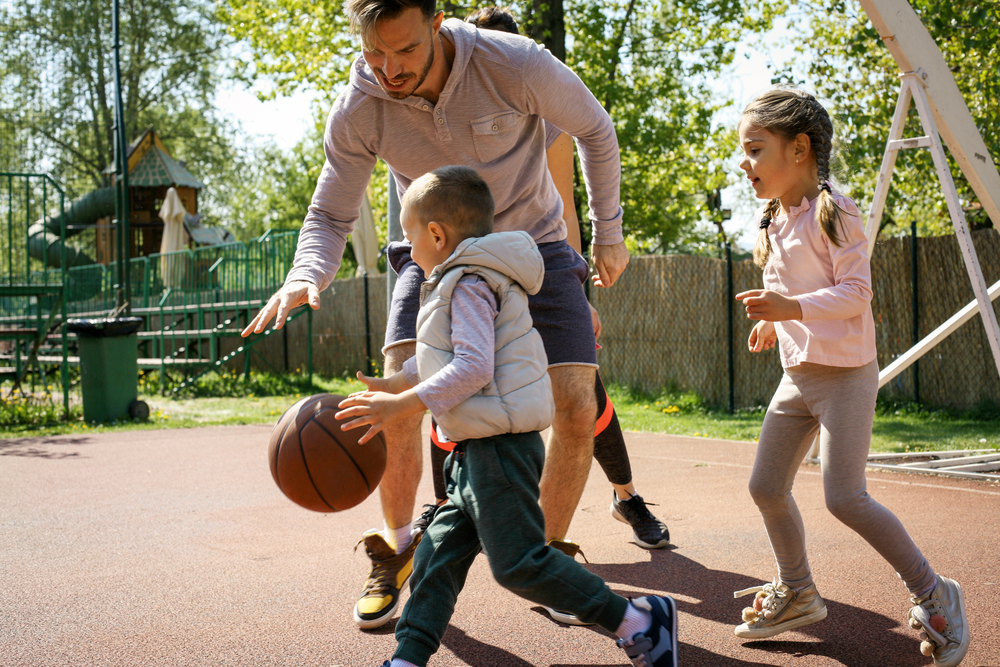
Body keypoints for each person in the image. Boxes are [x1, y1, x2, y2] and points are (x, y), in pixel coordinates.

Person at [241, 0, 630, 630]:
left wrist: (608, 231)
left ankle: (547, 556)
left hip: (534, 244)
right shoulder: (360, 105)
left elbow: (596, 129)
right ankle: (396, 551)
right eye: (374, 53)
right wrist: (304, 275)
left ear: (437, 22)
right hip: (434, 254)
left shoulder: (513, 63)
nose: (388, 69)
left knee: (575, 405)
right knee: (393, 391)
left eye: (405, 51)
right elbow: (331, 214)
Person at [335, 165, 678, 667]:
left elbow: (473, 366)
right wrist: (397, 380)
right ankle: (408, 657)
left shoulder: (469, 283)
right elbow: (443, 353)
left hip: (499, 451)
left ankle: (638, 621)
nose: (407, 250)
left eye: (410, 238)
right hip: (474, 452)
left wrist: (403, 404)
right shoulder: (461, 280)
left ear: (436, 234)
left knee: (518, 565)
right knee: (435, 562)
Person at [733, 87, 969, 667]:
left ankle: (934, 593)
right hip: (798, 375)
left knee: (844, 497)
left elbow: (855, 293)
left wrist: (789, 309)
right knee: (765, 486)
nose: (745, 163)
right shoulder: (774, 216)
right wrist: (777, 327)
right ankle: (799, 591)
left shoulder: (836, 210)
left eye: (755, 149)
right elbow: (795, 292)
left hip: (845, 377)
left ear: (800, 149)